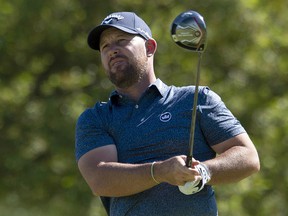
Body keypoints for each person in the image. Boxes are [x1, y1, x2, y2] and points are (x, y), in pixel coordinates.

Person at [75, 11, 260, 216]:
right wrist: (161, 171)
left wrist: (203, 172)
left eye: (122, 40)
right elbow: (100, 180)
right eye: (105, 46)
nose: (113, 50)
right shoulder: (96, 118)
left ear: (149, 47)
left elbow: (248, 157)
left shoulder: (195, 99)